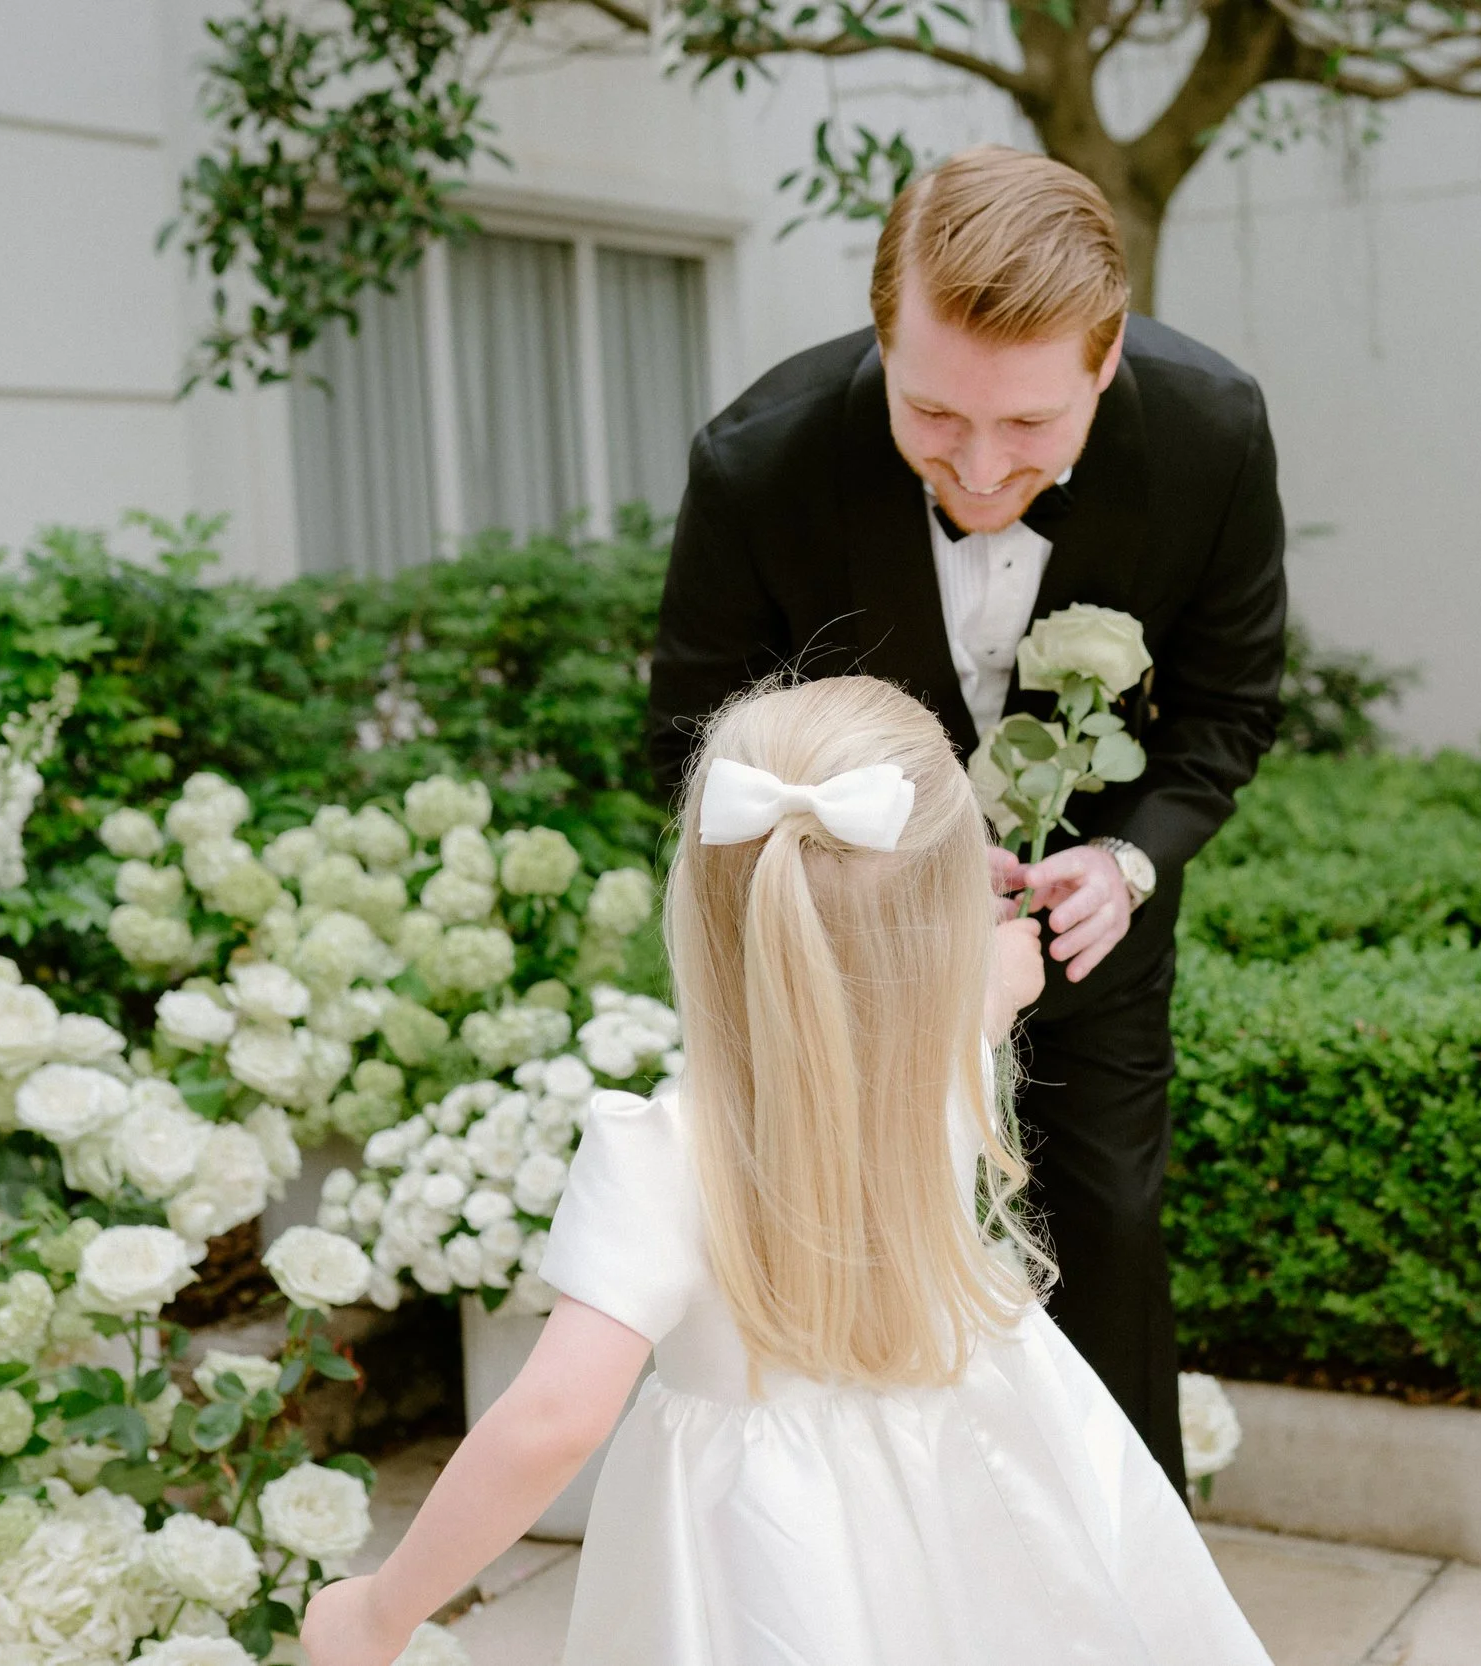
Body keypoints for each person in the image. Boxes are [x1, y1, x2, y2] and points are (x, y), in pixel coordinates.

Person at [302, 677, 1269, 1665]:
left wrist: (379, 1612)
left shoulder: (663, 1153)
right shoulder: (944, 1051)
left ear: (708, 899)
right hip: (972, 1468)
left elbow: (552, 1419)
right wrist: (965, 935)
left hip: (758, 1552)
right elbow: (986, 991)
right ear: (941, 910)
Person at [645, 145, 1286, 1487]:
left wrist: (1130, 858)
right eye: (934, 412)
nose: (981, 468)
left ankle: (1122, 1585)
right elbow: (689, 745)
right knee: (857, 1248)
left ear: (1104, 361)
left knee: (1105, 1222)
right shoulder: (756, 465)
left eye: (1031, 424)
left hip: (1085, 928)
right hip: (842, 940)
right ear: (883, 338)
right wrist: (869, 863)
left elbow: (1227, 711)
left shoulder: (1215, 433)